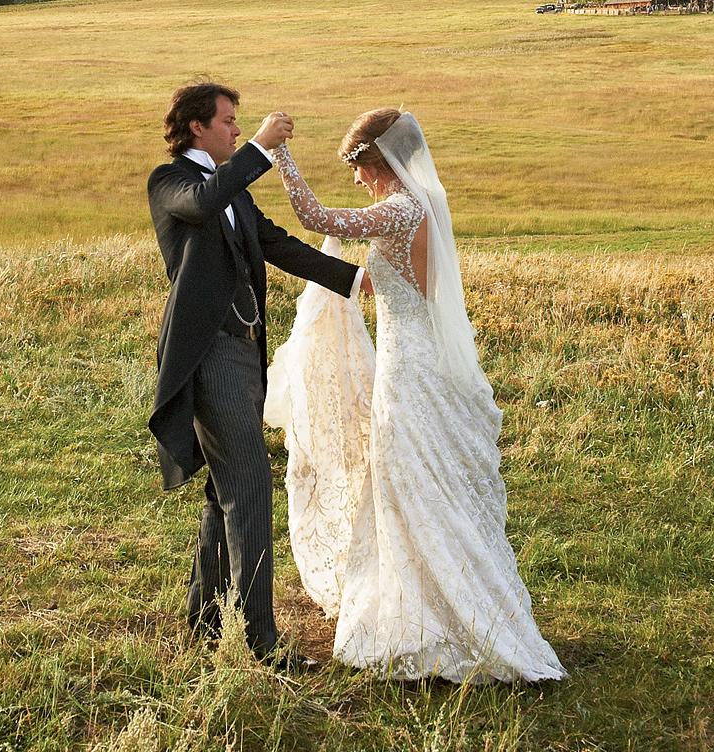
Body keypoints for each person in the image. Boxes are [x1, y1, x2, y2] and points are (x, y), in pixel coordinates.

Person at [265, 108, 565, 682]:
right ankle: (427, 593)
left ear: (374, 162)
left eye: (356, 168)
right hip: (419, 356)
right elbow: (391, 276)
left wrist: (279, 154)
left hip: (407, 366)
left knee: (406, 476)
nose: (357, 181)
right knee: (414, 475)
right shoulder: (425, 204)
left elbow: (313, 215)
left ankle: (433, 612)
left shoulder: (399, 210)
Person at [146, 82, 363, 665]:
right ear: (197, 127)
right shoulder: (172, 184)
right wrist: (262, 149)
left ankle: (205, 619)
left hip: (245, 351)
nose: (237, 130)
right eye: (228, 122)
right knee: (249, 487)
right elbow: (202, 203)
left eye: (242, 124)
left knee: (227, 490)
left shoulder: (232, 192)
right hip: (209, 355)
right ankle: (261, 643)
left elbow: (276, 244)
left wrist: (357, 281)